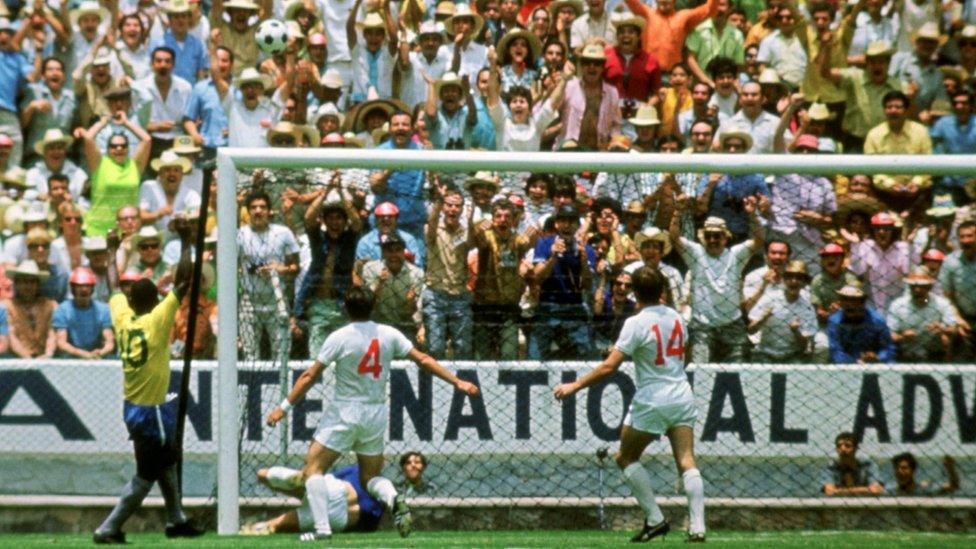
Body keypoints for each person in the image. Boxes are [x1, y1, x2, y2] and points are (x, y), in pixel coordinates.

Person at [265, 286, 480, 540]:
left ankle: (322, 529)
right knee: (370, 477)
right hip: (375, 412)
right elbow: (423, 359)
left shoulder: (340, 336)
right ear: (374, 305)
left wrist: (284, 407)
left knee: (313, 469)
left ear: (345, 307)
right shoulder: (388, 333)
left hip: (345, 410)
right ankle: (394, 498)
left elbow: (310, 375)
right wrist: (458, 382)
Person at [554, 267, 705, 543]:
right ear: (662, 291)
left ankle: (656, 519)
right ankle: (697, 527)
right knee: (686, 460)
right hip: (682, 392)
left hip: (652, 397)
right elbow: (688, 354)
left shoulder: (636, 323)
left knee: (625, 457)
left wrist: (574, 386)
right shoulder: (678, 318)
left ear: (635, 292)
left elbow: (609, 366)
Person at [93, 218, 202, 543]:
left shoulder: (123, 318)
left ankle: (176, 519)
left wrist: (112, 251)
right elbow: (183, 280)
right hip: (151, 408)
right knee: (147, 472)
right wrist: (185, 240)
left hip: (133, 405)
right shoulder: (156, 320)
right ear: (155, 301)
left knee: (165, 460)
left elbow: (113, 285)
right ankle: (109, 527)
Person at [242, 463, 384, 536]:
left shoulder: (357, 469)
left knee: (315, 482)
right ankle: (299, 479)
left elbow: (324, 480)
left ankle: (297, 477)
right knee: (272, 526)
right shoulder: (362, 474)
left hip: (334, 496)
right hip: (339, 518)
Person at [747, 259, 817, 363]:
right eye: (790, 277)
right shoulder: (770, 297)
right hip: (765, 352)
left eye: (799, 278)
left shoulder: (807, 307)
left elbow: (804, 346)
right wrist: (763, 318)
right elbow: (750, 330)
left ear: (804, 282)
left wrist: (796, 331)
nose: (794, 281)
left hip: (792, 354)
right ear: (784, 280)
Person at [53, 267, 114, 359]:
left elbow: (109, 342)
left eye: (87, 285)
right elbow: (61, 343)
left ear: (92, 288)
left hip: (96, 357)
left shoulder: (103, 310)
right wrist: (83, 354)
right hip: (71, 359)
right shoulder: (62, 310)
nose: (84, 289)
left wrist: (101, 352)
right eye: (79, 286)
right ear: (73, 288)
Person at [826, 284, 895, 364]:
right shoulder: (834, 321)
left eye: (852, 300)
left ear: (862, 302)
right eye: (844, 299)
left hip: (875, 363)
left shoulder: (877, 320)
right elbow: (835, 351)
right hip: (846, 365)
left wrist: (878, 356)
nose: (848, 303)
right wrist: (856, 362)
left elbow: (888, 348)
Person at [822, 432, 884, 496]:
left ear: (856, 448)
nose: (843, 449)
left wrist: (838, 490)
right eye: (839, 446)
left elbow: (876, 490)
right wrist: (866, 489)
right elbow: (829, 491)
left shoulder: (867, 464)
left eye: (848, 446)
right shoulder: (831, 467)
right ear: (836, 449)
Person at [891, 453, 959, 496]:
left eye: (904, 468)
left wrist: (951, 469)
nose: (899, 471)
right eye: (896, 468)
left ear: (913, 470)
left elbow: (953, 485)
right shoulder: (892, 491)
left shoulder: (924, 490)